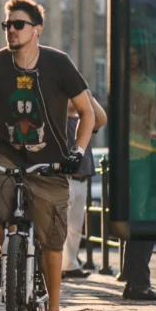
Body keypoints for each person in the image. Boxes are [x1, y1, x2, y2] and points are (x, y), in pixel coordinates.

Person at [0, 0, 95, 311]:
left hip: (51, 159)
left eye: (17, 25)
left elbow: (86, 112)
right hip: (6, 152)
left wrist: (76, 153)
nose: (11, 31)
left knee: (51, 234)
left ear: (36, 30)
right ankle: (6, 253)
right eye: (7, 25)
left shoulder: (58, 63)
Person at [122, 45, 156, 301]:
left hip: (143, 154)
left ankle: (136, 279)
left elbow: (152, 122)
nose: (131, 56)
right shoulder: (120, 82)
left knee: (140, 217)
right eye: (128, 52)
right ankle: (136, 281)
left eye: (135, 52)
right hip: (129, 156)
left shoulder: (149, 85)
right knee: (138, 219)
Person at [62, 95, 107, 280]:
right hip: (65, 179)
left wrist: (87, 95)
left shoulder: (85, 120)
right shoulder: (58, 121)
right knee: (61, 226)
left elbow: (101, 119)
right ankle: (56, 265)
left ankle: (70, 264)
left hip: (82, 180)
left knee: (75, 227)